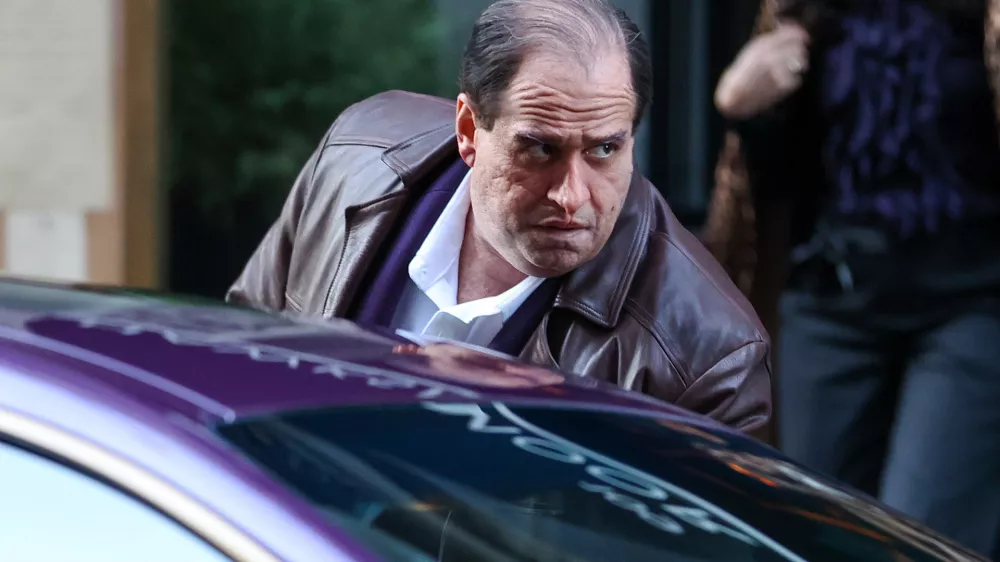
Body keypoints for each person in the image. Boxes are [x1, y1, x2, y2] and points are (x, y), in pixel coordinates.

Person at [229, 0, 772, 431]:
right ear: (469, 130)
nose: (571, 196)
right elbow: (236, 358)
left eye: (605, 149)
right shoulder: (356, 157)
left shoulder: (709, 356)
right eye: (540, 149)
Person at [705, 0, 1000, 556]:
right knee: (815, 532)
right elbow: (777, 192)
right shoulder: (805, 10)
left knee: (925, 535)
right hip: (833, 306)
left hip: (970, 309)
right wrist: (747, 110)